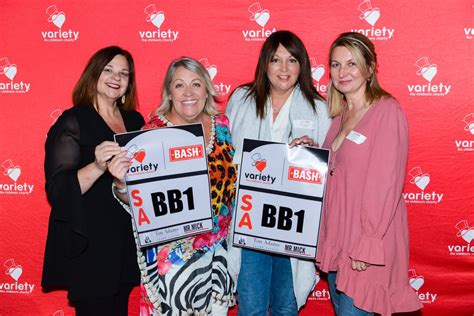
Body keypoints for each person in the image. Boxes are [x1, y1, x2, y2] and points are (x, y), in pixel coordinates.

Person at [108, 57, 237, 315]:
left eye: (196, 84)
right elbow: (134, 201)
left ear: (206, 90)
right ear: (169, 92)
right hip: (172, 259)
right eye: (179, 85)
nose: (189, 93)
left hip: (218, 254)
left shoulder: (222, 126)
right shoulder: (151, 134)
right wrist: (120, 182)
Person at [316, 32, 423, 315]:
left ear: (370, 68)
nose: (342, 72)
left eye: (351, 63)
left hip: (365, 247)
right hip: (339, 243)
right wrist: (310, 152)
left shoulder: (387, 111)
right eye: (336, 65)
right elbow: (341, 174)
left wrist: (369, 243)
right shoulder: (339, 115)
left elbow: (384, 185)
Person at [226, 30, 331, 315]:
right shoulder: (242, 98)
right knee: (251, 305)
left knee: (286, 306)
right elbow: (225, 154)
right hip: (249, 222)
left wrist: (313, 151)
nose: (284, 69)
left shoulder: (318, 107)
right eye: (276, 60)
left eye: (292, 60)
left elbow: (327, 167)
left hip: (292, 224)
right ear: (265, 64)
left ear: (302, 65)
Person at [41, 46, 144, 315]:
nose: (116, 77)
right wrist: (98, 166)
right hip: (91, 245)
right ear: (93, 74)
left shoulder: (135, 120)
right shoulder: (73, 120)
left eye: (124, 73)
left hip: (125, 242)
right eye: (108, 69)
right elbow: (57, 190)